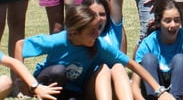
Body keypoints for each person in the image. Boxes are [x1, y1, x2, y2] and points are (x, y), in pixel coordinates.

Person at [16, 5, 167, 100]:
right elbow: (20, 46)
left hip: (77, 92)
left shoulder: (98, 44)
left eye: (97, 29)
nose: (97, 34)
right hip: (51, 84)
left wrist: (160, 91)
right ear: (74, 33)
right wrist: (26, 83)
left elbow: (132, 64)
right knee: (58, 70)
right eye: (91, 32)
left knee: (111, 67)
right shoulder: (57, 41)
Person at [65, 0, 133, 100]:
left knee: (118, 67)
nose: (98, 19)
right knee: (103, 69)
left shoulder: (113, 28)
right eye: (93, 14)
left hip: (115, 84)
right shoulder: (81, 29)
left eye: (102, 14)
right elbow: (68, 4)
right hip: (91, 86)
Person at [133, 0, 183, 100]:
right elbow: (135, 85)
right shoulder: (147, 44)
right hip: (154, 92)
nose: (173, 25)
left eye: (177, 20)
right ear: (159, 23)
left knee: (180, 59)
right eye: (167, 21)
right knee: (148, 59)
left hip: (180, 90)